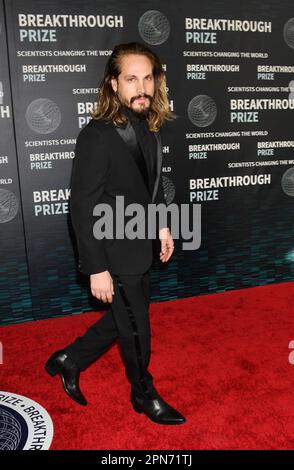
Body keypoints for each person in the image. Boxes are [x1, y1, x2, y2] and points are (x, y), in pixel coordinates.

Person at [45, 42, 186, 425]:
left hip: (139, 244)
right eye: (131, 79)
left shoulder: (149, 127)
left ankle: (69, 358)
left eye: (148, 78)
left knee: (125, 318)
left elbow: (149, 187)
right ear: (113, 84)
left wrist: (161, 226)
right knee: (138, 329)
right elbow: (82, 207)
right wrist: (96, 268)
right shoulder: (97, 136)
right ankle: (143, 394)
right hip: (113, 255)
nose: (141, 87)